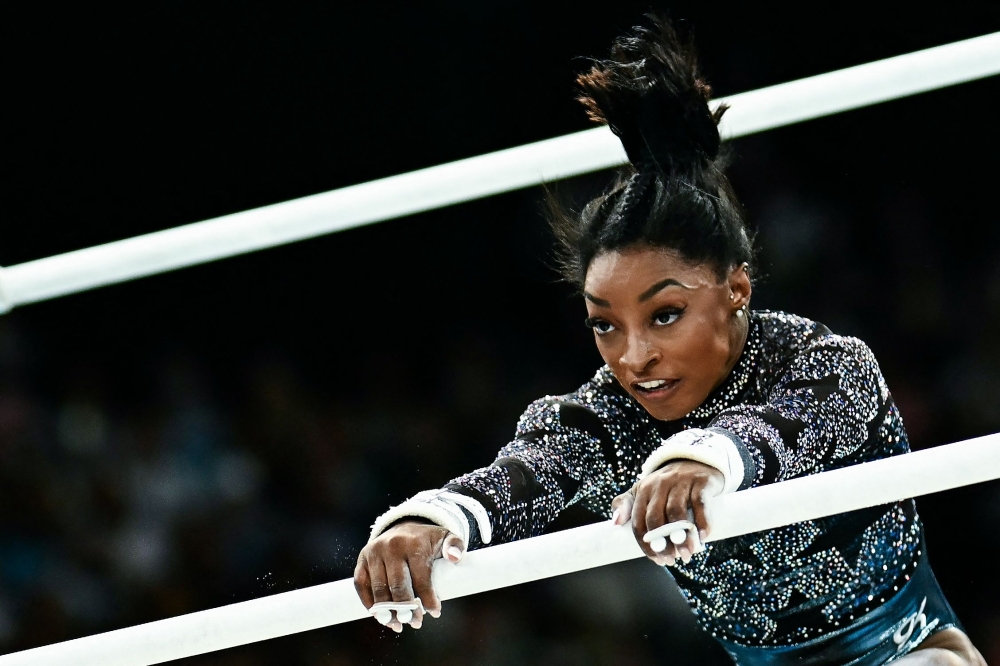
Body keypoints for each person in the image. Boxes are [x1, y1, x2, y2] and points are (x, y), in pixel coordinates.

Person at [353, 16, 985, 665]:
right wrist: (429, 522)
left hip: (907, 642)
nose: (634, 357)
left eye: (664, 315)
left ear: (736, 289)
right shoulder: (603, 420)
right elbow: (520, 478)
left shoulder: (828, 366)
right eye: (606, 324)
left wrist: (699, 464)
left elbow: (771, 432)